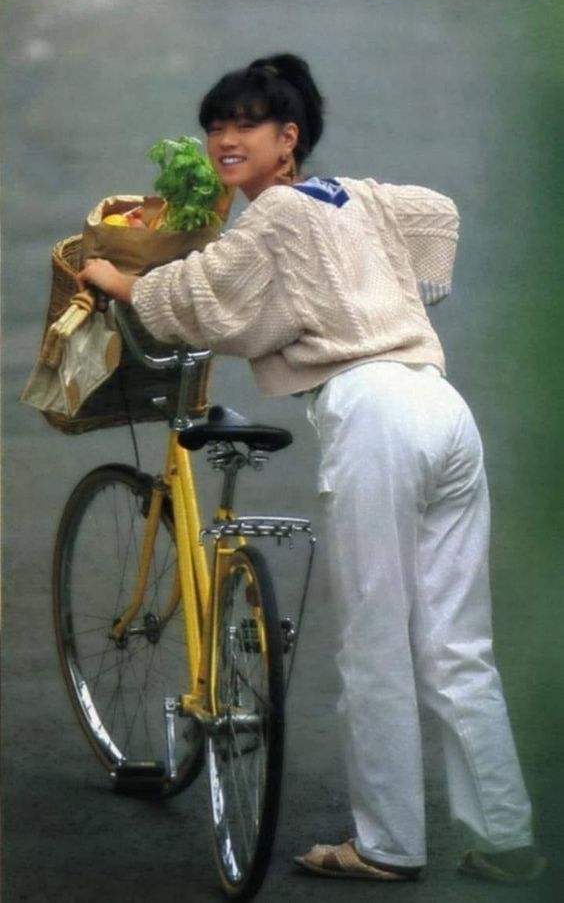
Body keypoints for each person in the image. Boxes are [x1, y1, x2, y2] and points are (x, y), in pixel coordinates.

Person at [77, 52, 545, 885]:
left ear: (287, 140)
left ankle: (389, 845)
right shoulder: (356, 194)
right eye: (216, 125)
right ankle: (503, 833)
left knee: (375, 640)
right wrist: (404, 291)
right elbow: (435, 209)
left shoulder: (272, 217)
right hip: (441, 407)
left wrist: (119, 279)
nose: (224, 138)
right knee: (456, 643)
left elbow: (197, 296)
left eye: (245, 125)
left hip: (375, 414)